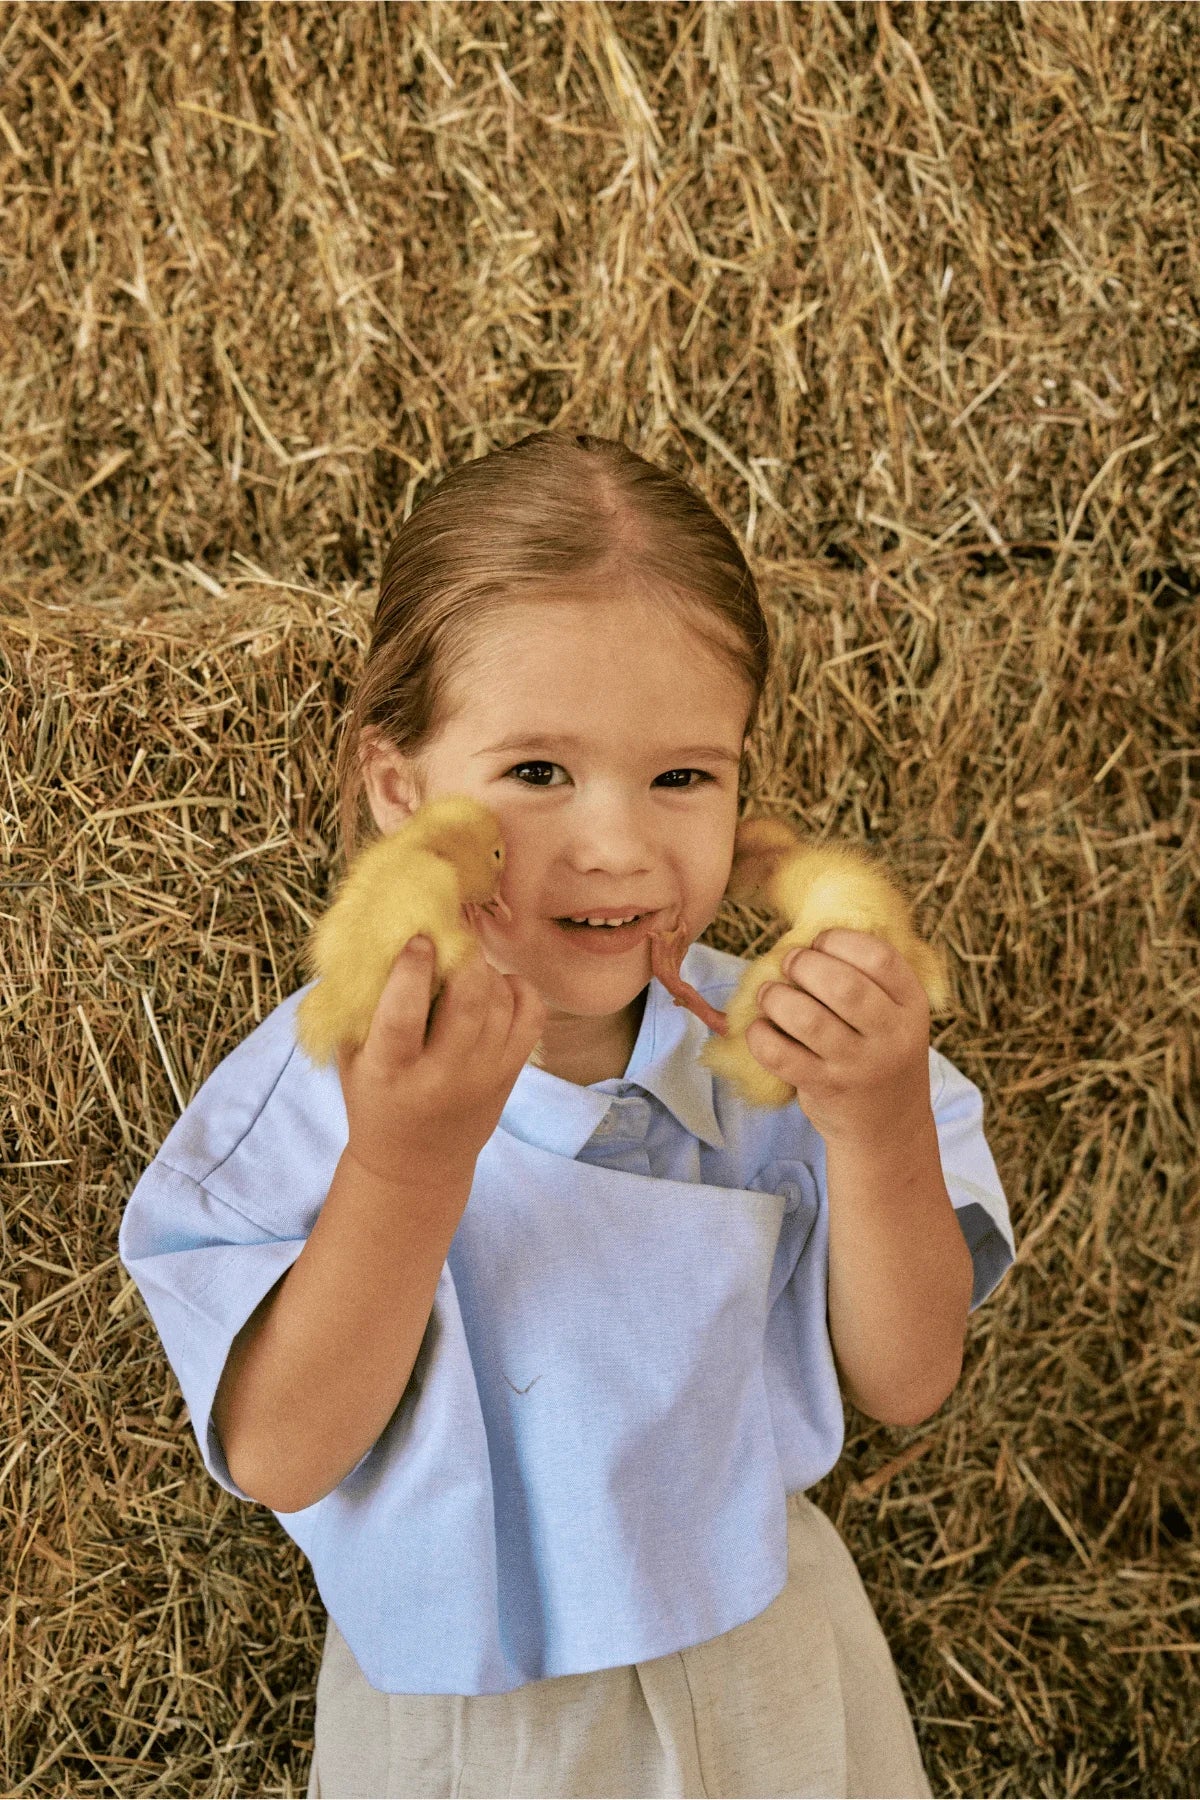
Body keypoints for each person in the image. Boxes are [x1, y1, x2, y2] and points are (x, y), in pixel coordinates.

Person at [119, 430, 1015, 1799]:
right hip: (478, 1731)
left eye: (682, 777)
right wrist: (408, 1167)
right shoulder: (321, 1079)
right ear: (401, 789)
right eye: (538, 772)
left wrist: (879, 1125)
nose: (618, 845)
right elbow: (282, 1453)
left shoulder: (793, 1046)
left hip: (771, 1680)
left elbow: (909, 1381)